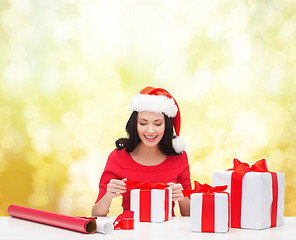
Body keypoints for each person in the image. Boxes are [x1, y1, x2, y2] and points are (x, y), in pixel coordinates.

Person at [91, 86, 191, 217]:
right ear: (135, 124)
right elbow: (96, 214)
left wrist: (181, 197)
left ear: (166, 125)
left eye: (158, 124)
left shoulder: (179, 157)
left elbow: (189, 216)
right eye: (143, 123)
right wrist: (108, 195)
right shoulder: (118, 156)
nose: (150, 130)